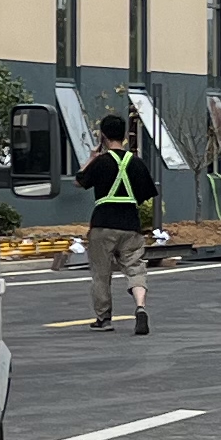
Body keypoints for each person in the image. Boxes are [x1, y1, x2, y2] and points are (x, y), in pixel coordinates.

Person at [80, 108, 154, 334]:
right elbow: (145, 194)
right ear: (124, 136)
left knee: (101, 274)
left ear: (103, 136)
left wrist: (91, 158)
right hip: (130, 225)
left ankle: (104, 319)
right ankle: (140, 307)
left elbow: (80, 180)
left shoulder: (100, 162)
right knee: (135, 268)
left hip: (102, 225)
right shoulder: (137, 163)